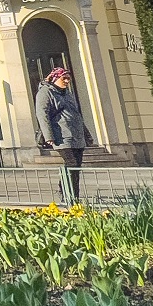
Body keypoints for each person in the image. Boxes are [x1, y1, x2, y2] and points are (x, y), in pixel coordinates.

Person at [34, 64, 90, 202]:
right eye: (64, 78)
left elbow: (76, 115)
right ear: (55, 78)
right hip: (61, 135)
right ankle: (70, 197)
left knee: (75, 166)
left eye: (68, 79)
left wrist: (87, 135)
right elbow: (42, 115)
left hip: (76, 135)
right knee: (72, 164)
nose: (66, 81)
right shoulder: (45, 92)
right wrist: (49, 136)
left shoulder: (68, 93)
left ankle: (68, 192)